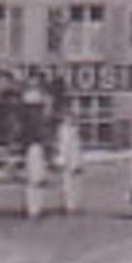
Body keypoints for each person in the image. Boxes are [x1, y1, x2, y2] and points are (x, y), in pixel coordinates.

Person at [18, 86, 50, 219]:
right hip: (31, 147)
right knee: (33, 180)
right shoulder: (27, 122)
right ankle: (33, 208)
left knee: (36, 180)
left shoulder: (39, 122)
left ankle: (35, 208)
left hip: (35, 147)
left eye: (36, 108)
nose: (33, 112)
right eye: (30, 108)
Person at [54, 108, 84, 214]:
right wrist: (61, 159)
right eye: (68, 118)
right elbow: (63, 146)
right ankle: (68, 205)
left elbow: (77, 148)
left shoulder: (74, 130)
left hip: (74, 159)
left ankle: (73, 204)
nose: (70, 120)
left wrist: (78, 162)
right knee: (67, 184)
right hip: (67, 160)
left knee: (75, 183)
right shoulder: (63, 131)